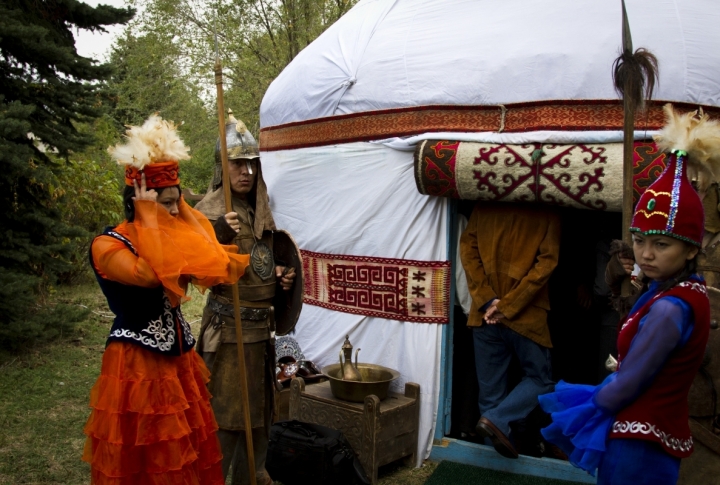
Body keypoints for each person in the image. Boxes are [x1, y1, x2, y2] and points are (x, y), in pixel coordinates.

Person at [539, 107, 713, 485]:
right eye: (639, 241)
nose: (646, 254)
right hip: (651, 429)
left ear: (691, 250)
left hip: (639, 440)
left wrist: (591, 408)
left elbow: (632, 380)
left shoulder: (670, 308)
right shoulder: (677, 290)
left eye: (661, 244)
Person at [82, 115, 250, 484]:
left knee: (183, 445)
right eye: (168, 204)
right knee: (151, 450)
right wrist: (148, 213)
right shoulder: (108, 244)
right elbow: (148, 274)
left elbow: (214, 262)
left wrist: (187, 215)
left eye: (179, 203)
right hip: (137, 364)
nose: (176, 212)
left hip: (178, 361)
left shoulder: (170, 237)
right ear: (140, 200)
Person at [195, 111, 295, 485]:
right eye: (238, 163)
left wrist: (283, 277)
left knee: (259, 414)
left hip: (260, 334)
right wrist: (216, 235)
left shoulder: (260, 210)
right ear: (224, 167)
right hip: (228, 332)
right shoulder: (207, 213)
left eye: (252, 163)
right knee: (226, 417)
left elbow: (264, 264)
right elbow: (196, 274)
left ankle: (253, 477)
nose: (247, 171)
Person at [460, 202, 560, 458]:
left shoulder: (483, 207)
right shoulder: (546, 208)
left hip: (484, 315)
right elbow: (547, 263)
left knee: (490, 395)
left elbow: (467, 252)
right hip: (526, 315)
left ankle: (490, 461)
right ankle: (496, 419)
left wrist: (487, 300)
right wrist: (509, 305)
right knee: (541, 379)